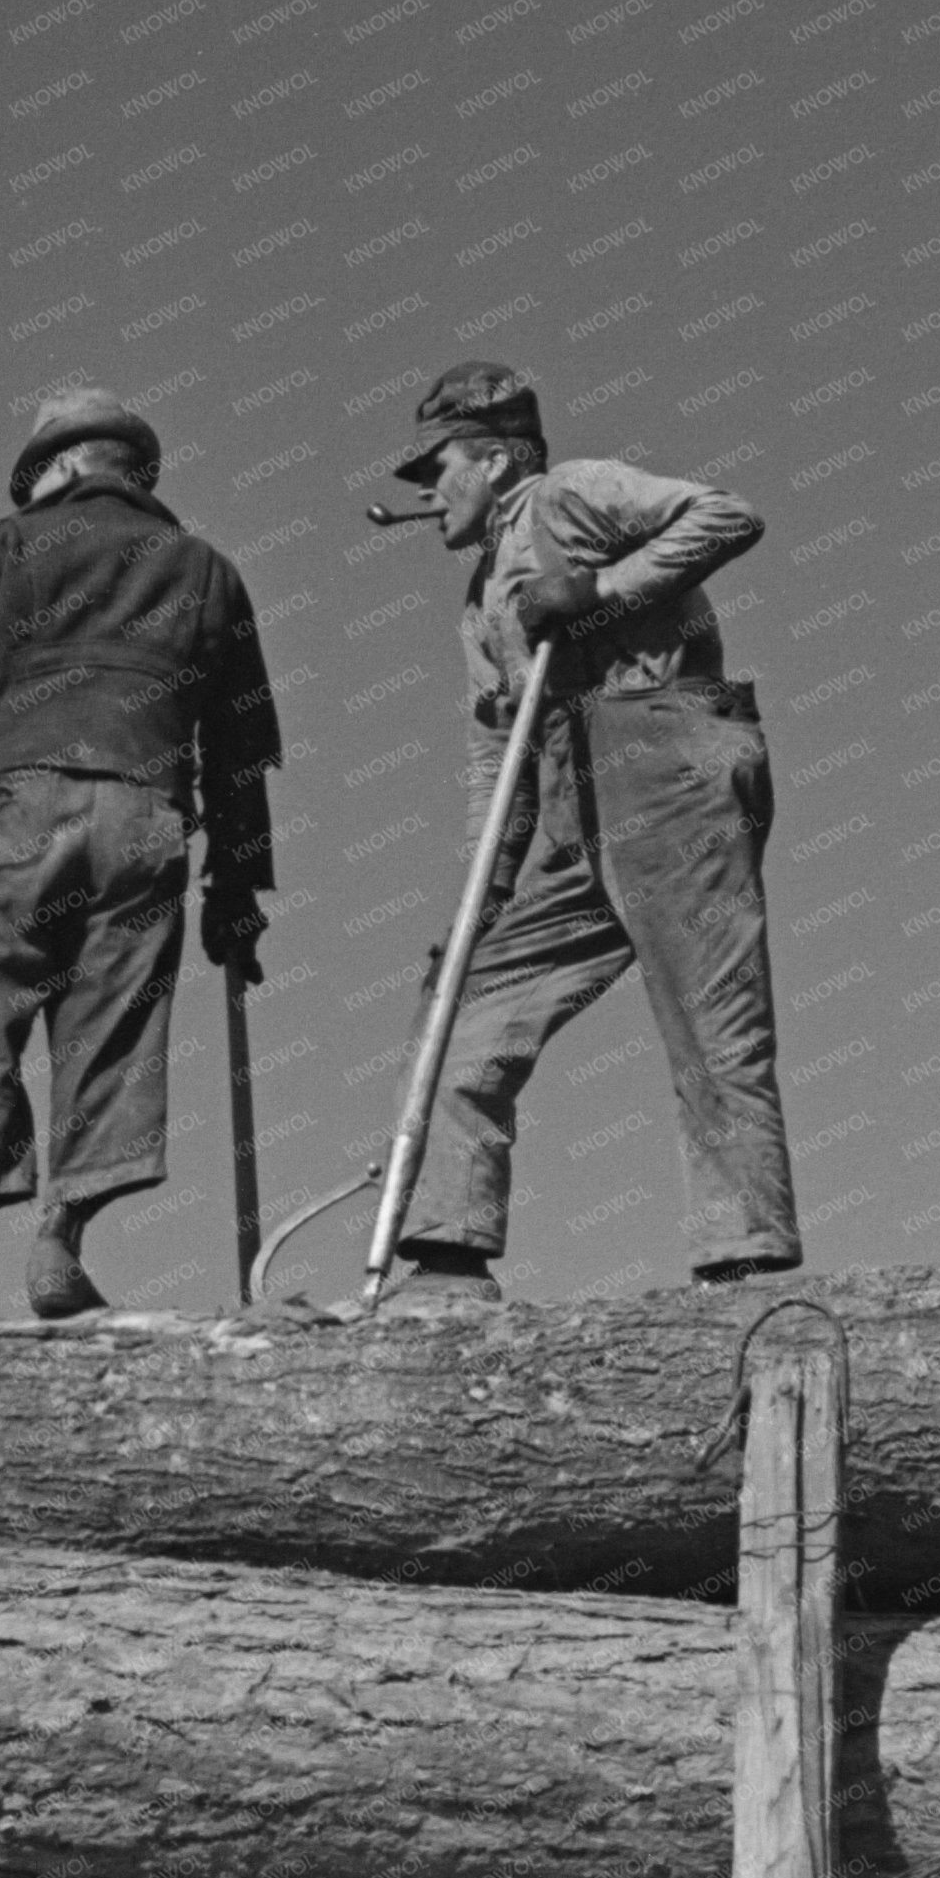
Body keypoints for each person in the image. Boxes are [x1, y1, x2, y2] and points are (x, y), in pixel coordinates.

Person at [373, 360, 801, 1310]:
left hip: (668, 760)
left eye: (434, 468)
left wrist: (602, 590)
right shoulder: (480, 601)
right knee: (467, 1001)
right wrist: (481, 897)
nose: (425, 493)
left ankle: (743, 1264)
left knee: (707, 1016)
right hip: (577, 800)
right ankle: (446, 1255)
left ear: (491, 461)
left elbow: (727, 513)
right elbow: (497, 757)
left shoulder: (568, 497)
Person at [0, 387, 280, 1321]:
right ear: (134, 473)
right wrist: (238, 888)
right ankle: (60, 1241)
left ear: (59, 468)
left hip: (18, 806)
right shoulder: (206, 569)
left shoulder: (6, 547)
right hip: (146, 811)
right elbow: (240, 746)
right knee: (115, 1028)